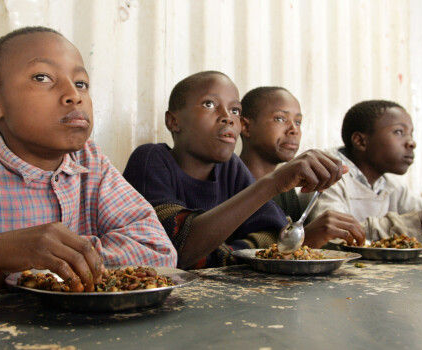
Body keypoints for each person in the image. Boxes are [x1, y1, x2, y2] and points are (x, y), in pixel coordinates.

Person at [0, 26, 177, 314]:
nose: (73, 95)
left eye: (81, 83)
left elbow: (156, 250)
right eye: (42, 78)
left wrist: (52, 263)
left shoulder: (90, 165)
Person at [123, 71, 347, 269]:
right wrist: (273, 182)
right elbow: (178, 251)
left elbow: (275, 235)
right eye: (209, 104)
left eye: (235, 110)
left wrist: (221, 254)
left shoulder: (230, 168)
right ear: (173, 121)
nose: (227, 117)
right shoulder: (151, 159)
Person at [239, 87, 366, 247]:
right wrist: (306, 238)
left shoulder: (287, 191)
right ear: (245, 126)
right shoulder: (229, 182)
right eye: (280, 119)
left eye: (298, 122)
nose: (294, 130)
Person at [306, 100, 422, 242]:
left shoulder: (390, 185)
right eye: (399, 132)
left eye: (411, 134)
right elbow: (335, 236)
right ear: (360, 141)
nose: (412, 143)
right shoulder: (328, 178)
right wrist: (417, 221)